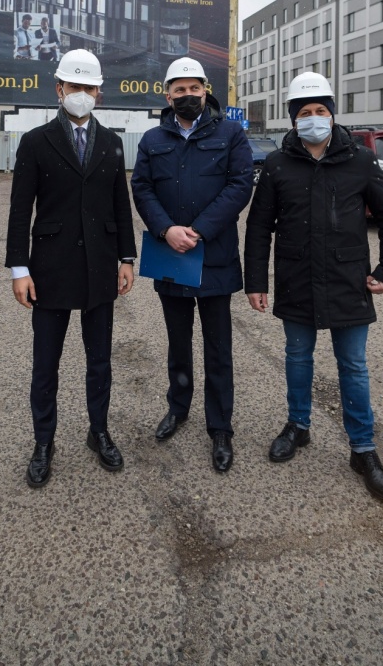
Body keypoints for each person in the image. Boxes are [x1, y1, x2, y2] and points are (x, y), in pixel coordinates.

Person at [244, 72, 383, 502]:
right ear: (293, 120)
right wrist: (256, 281)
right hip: (297, 279)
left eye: (320, 111)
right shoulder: (278, 164)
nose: (313, 119)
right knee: (297, 356)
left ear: (333, 115)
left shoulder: (359, 159)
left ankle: (363, 449)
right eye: (304, 113)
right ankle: (298, 426)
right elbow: (259, 226)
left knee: (353, 365)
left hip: (348, 280)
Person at [6, 49, 136, 488]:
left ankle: (98, 431)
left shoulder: (112, 142)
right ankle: (44, 441)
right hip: (50, 270)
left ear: (99, 91)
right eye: (73, 87)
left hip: (100, 266)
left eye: (88, 88)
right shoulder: (36, 142)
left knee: (99, 361)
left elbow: (121, 202)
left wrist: (127, 258)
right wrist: (18, 269)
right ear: (58, 89)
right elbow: (20, 209)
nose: (80, 95)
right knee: (46, 363)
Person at [131, 58, 252, 473]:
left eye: (193, 89)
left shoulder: (231, 134)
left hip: (213, 256)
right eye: (178, 90)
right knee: (178, 344)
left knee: (219, 349)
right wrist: (166, 230)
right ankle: (178, 408)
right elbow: (142, 188)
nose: (187, 96)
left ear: (206, 90)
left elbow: (240, 186)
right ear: (167, 96)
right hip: (171, 257)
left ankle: (220, 427)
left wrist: (198, 230)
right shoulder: (152, 139)